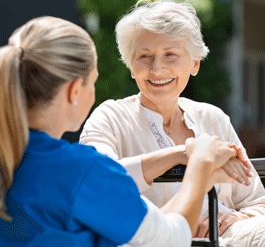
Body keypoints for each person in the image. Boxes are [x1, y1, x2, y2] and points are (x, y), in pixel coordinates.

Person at [0, 16, 248, 247]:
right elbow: (171, 239)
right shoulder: (81, 171)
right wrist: (200, 164)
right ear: (74, 90)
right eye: (94, 81)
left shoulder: (14, 158)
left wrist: (180, 154)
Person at [80, 0, 265, 246]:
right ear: (131, 66)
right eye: (144, 56)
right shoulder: (110, 118)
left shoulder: (213, 118)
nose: (157, 68)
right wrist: (185, 154)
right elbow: (98, 183)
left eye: (170, 54)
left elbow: (256, 201)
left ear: (195, 63)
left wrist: (230, 219)